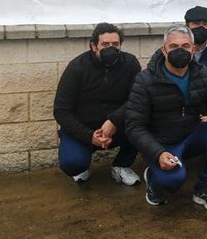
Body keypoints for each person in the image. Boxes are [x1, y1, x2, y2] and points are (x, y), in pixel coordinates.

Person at [124, 25, 207, 211]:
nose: (180, 51)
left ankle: (204, 189)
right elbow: (134, 126)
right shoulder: (145, 80)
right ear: (164, 50)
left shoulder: (202, 74)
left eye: (186, 46)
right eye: (173, 46)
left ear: (193, 49)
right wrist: (157, 153)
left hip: (191, 133)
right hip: (162, 143)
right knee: (173, 182)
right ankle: (154, 180)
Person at [53, 22, 143, 185]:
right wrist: (88, 136)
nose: (111, 48)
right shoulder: (76, 67)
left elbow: (137, 98)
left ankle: (121, 166)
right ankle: (82, 165)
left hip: (118, 127)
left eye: (115, 44)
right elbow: (61, 110)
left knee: (145, 118)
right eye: (105, 44)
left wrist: (114, 120)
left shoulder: (130, 63)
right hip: (83, 128)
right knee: (72, 164)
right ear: (93, 46)